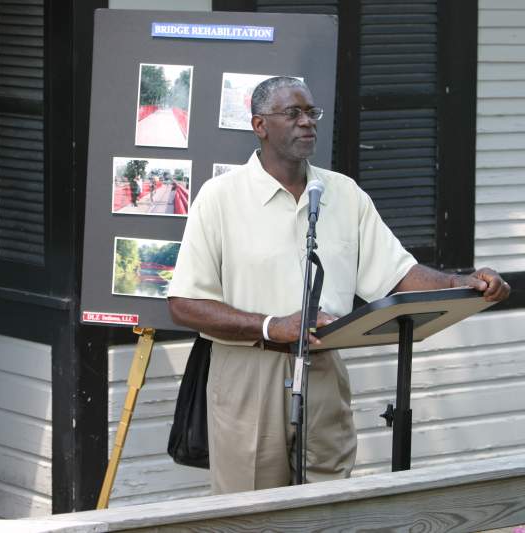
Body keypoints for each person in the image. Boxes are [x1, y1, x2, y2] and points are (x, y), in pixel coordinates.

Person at [167, 76, 510, 494]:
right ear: (260, 125)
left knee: (329, 499)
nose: (307, 122)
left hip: (323, 365)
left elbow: (397, 273)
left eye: (312, 112)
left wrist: (463, 282)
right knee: (250, 507)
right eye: (292, 113)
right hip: (249, 369)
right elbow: (185, 303)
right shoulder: (219, 197)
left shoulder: (342, 193)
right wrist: (273, 325)